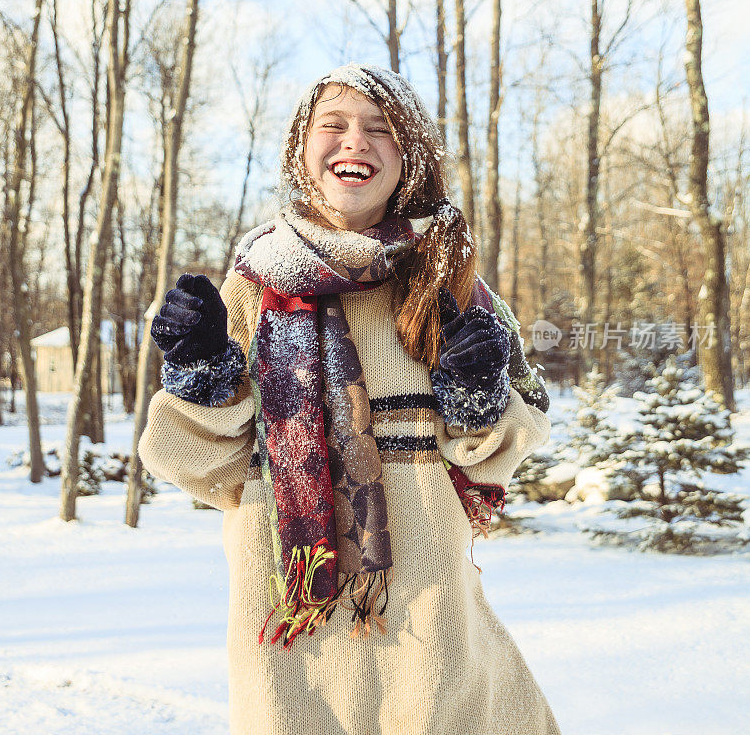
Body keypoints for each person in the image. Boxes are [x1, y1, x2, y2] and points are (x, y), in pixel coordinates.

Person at [138, 63, 561, 735]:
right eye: (332, 125)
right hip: (289, 626)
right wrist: (200, 375)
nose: (354, 141)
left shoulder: (449, 283)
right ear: (302, 151)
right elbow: (210, 471)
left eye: (380, 129)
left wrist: (479, 398)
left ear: (409, 157)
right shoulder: (252, 288)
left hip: (426, 620)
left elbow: (499, 459)